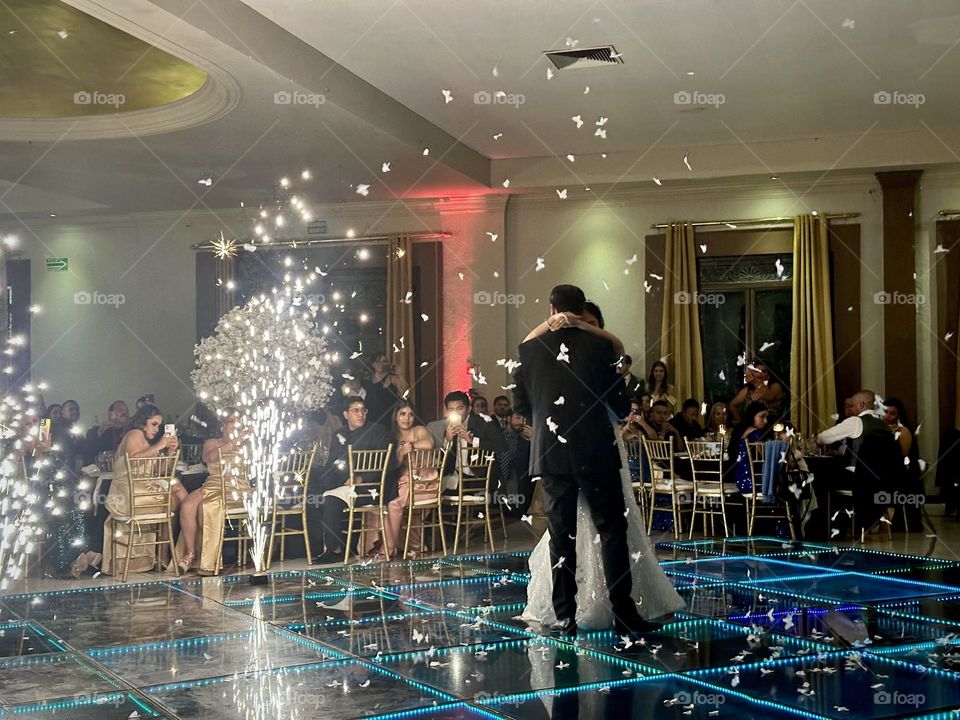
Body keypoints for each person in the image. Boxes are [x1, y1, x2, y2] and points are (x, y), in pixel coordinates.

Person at [514, 285, 682, 637]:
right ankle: (623, 613)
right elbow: (620, 406)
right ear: (581, 310)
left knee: (562, 536)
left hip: (551, 454)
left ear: (551, 307)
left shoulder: (530, 349)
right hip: (595, 451)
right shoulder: (602, 346)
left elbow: (522, 408)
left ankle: (564, 617)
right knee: (612, 532)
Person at [307, 396, 397, 563]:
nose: (360, 414)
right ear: (345, 414)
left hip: (371, 489)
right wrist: (325, 482)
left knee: (331, 500)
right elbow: (332, 464)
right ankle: (324, 545)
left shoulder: (378, 432)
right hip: (345, 487)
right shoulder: (339, 434)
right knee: (313, 498)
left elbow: (388, 463)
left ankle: (335, 550)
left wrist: (362, 477)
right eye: (355, 410)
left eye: (363, 410)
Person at [101, 404, 184, 576]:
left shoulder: (147, 442)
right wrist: (159, 446)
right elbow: (134, 459)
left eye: (159, 425)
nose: (157, 429)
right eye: (154, 424)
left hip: (142, 491)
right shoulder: (134, 434)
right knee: (175, 501)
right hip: (126, 494)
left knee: (175, 494)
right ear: (142, 422)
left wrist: (170, 452)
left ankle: (167, 554)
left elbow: (157, 472)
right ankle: (167, 554)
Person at [816, 389, 904, 537]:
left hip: (858, 480)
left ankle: (824, 528)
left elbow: (822, 438)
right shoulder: (883, 426)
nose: (851, 409)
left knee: (819, 479)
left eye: (852, 405)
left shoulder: (855, 421)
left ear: (861, 405)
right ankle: (848, 525)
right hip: (882, 482)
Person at [175, 409, 252, 574]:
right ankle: (190, 554)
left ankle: (208, 560)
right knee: (188, 505)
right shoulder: (213, 442)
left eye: (239, 422)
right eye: (232, 421)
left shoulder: (248, 444)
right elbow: (209, 458)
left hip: (236, 487)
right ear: (223, 425)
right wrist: (235, 440)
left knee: (206, 506)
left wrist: (243, 439)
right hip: (212, 484)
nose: (236, 425)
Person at [384, 402, 436, 558]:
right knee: (383, 501)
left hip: (424, 481)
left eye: (410, 414)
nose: (407, 418)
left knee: (394, 503)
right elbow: (393, 463)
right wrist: (400, 452)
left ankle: (389, 548)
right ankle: (404, 545)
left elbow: (429, 443)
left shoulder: (418, 430)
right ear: (395, 417)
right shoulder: (393, 436)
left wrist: (411, 446)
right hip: (404, 479)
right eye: (402, 414)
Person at [882, 397, 924, 531]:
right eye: (885, 412)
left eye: (892, 413)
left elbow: (904, 459)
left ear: (899, 415)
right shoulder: (881, 429)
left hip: (902, 476)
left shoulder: (903, 432)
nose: (887, 416)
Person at [726, 401, 770, 494]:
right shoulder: (758, 433)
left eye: (767, 417)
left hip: (736, 477)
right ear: (752, 416)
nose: (766, 421)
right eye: (762, 417)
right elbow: (765, 458)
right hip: (756, 480)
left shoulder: (738, 431)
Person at [362, 353, 409, 429]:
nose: (382, 364)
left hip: (389, 420)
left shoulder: (392, 378)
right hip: (372, 421)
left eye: (384, 361)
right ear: (373, 364)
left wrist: (401, 375)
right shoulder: (367, 380)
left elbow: (406, 394)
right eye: (379, 362)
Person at [83, 400, 130, 465]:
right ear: (111, 414)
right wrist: (98, 435)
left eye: (127, 410)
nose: (125, 412)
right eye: (120, 409)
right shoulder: (96, 433)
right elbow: (89, 454)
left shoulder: (132, 431)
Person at [503, 411, 533, 514]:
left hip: (525, 479)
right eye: (518, 418)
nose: (521, 422)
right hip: (507, 479)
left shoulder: (525, 439)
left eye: (524, 419)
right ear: (508, 419)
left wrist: (533, 439)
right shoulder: (501, 437)